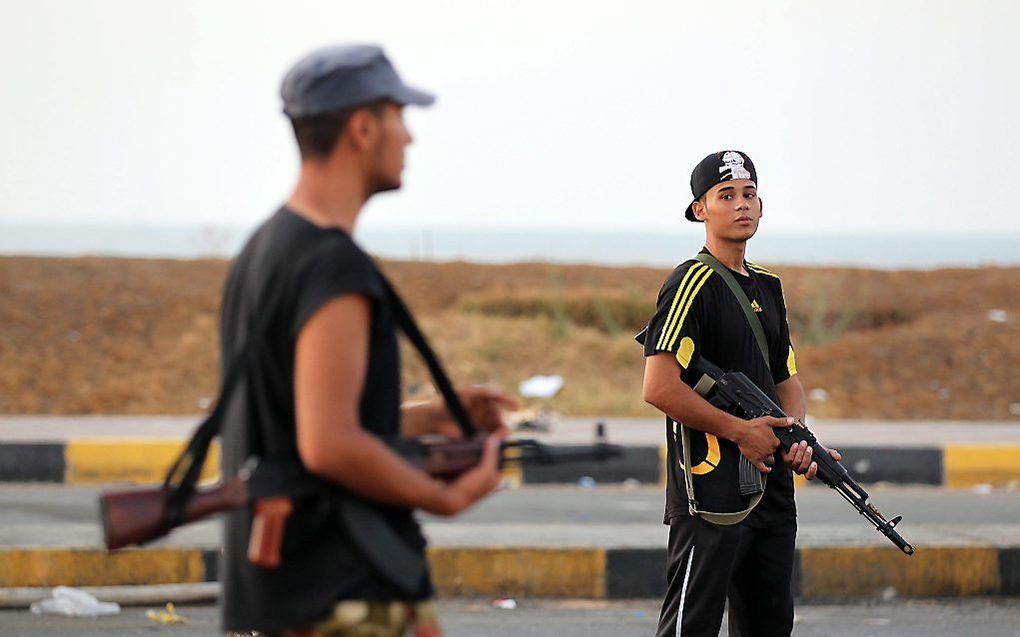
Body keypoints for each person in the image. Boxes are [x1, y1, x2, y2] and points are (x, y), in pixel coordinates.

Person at [218, 45, 517, 637]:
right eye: (399, 118)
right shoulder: (334, 266)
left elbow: (297, 425)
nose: (409, 138)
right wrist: (446, 500)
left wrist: (432, 416)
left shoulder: (265, 250)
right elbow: (328, 444)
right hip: (345, 590)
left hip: (287, 588)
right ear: (361, 127)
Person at [639, 150, 840, 637]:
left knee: (769, 626)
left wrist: (796, 438)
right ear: (699, 210)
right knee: (692, 626)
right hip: (712, 491)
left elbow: (785, 379)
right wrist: (740, 431)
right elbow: (659, 387)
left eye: (748, 194)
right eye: (725, 196)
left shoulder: (769, 288)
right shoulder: (692, 282)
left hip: (770, 489)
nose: (740, 205)